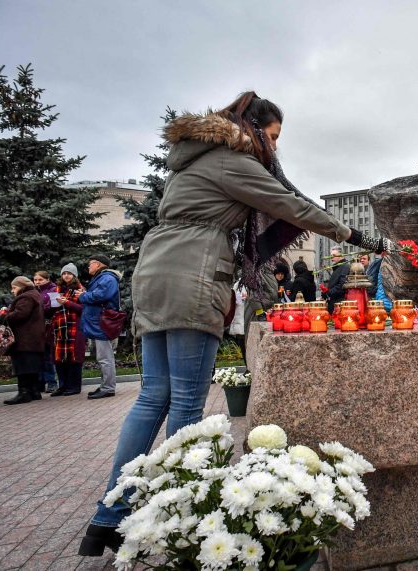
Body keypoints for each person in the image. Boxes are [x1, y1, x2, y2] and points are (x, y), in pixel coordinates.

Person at [79, 91, 398, 556]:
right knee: (186, 403)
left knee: (153, 396)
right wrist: (361, 238)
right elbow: (293, 206)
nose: (273, 149)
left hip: (155, 270)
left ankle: (108, 518)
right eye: (271, 137)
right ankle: (180, 517)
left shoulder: (195, 159)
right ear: (252, 128)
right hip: (193, 271)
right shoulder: (233, 160)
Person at [79, 255, 121, 400]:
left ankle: (108, 388)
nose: (88, 267)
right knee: (102, 357)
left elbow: (101, 295)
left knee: (105, 357)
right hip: (98, 323)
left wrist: (83, 296)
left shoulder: (107, 278)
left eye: (90, 264)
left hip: (102, 323)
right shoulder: (101, 278)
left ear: (98, 264)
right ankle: (105, 385)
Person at [1, 277, 45, 405]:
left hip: (24, 338)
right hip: (33, 338)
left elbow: (20, 314)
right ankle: (34, 391)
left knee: (22, 366)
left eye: (14, 287)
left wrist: (4, 316)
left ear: (21, 286)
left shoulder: (25, 297)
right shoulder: (35, 295)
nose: (12, 290)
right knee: (31, 365)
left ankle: (24, 393)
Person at [49, 263, 86, 396]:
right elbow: (52, 309)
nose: (66, 276)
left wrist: (67, 303)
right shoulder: (57, 290)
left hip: (75, 328)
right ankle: (62, 386)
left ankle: (74, 386)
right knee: (59, 358)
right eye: (64, 273)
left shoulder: (80, 290)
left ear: (74, 275)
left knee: (73, 358)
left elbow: (84, 309)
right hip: (59, 328)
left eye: (69, 273)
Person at [33, 270, 59, 393]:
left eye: (40, 280)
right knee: (39, 356)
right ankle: (40, 382)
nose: (37, 282)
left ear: (47, 279)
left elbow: (54, 307)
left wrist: (39, 309)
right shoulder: (35, 291)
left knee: (48, 356)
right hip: (37, 327)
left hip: (49, 326)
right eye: (35, 280)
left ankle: (51, 382)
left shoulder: (53, 290)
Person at [325, 247, 350, 314]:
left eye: (334, 256)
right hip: (335, 303)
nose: (331, 258)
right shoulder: (338, 267)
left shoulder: (345, 267)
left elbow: (342, 285)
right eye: (331, 256)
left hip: (339, 304)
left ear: (341, 256)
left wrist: (328, 292)